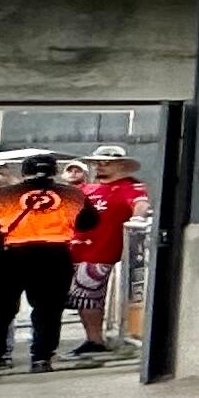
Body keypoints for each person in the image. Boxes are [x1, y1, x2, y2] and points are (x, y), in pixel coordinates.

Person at [0, 155, 79, 378]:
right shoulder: (72, 194)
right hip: (54, 256)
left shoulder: (2, 194)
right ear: (55, 171)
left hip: (9, 257)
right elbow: (88, 222)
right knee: (48, 311)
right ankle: (41, 359)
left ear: (23, 173)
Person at [68, 144, 145, 359]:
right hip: (77, 249)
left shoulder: (129, 187)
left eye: (107, 163)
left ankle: (95, 340)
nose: (100, 166)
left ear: (121, 165)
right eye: (98, 163)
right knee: (82, 297)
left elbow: (140, 204)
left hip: (102, 251)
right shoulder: (87, 189)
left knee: (87, 295)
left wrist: (138, 218)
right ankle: (93, 338)